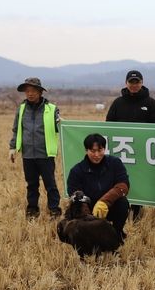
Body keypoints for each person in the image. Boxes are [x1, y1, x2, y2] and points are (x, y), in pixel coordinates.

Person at [106, 70, 155, 221]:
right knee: (119, 181)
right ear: (126, 83)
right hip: (121, 152)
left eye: (137, 82)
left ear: (142, 83)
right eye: (131, 82)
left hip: (142, 152)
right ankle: (119, 211)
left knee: (138, 182)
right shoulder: (118, 103)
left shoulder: (150, 103)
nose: (134, 85)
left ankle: (137, 214)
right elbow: (109, 125)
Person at [9, 77, 61, 219]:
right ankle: (32, 210)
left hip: (45, 154)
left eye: (33, 90)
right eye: (27, 91)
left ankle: (54, 210)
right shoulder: (21, 109)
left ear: (40, 92)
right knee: (31, 185)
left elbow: (59, 128)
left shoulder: (52, 109)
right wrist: (12, 148)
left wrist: (60, 123)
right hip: (28, 155)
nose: (30, 94)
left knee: (50, 184)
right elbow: (16, 129)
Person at [66, 134, 130, 240]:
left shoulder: (115, 163)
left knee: (122, 203)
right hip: (87, 210)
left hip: (108, 206)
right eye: (93, 151)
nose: (96, 155)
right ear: (86, 150)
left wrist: (104, 202)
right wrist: (90, 219)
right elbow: (75, 195)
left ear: (104, 149)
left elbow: (123, 185)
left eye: (100, 150)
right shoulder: (76, 171)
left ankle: (117, 233)